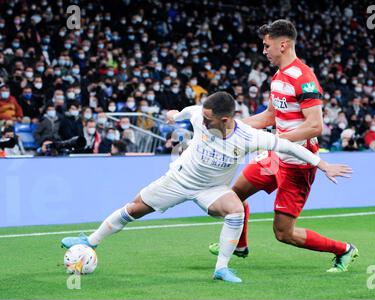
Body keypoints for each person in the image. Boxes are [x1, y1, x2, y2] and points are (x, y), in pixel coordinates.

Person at [61, 92, 352, 283]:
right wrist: (174, 115)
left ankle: (222, 268)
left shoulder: (248, 137)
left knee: (236, 208)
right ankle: (92, 240)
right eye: (202, 115)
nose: (202, 120)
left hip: (212, 189)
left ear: (225, 119)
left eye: (208, 119)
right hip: (179, 180)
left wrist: (322, 164)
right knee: (134, 208)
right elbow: (181, 114)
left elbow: (287, 145)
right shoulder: (199, 114)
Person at [208, 20, 359, 273]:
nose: (264, 51)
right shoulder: (278, 77)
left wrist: (278, 142)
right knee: (233, 197)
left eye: (267, 46)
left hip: (298, 164)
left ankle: (344, 250)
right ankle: (240, 246)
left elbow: (315, 126)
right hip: (274, 158)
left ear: (283, 44)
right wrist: (232, 128)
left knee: (283, 233)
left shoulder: (304, 79)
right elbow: (269, 117)